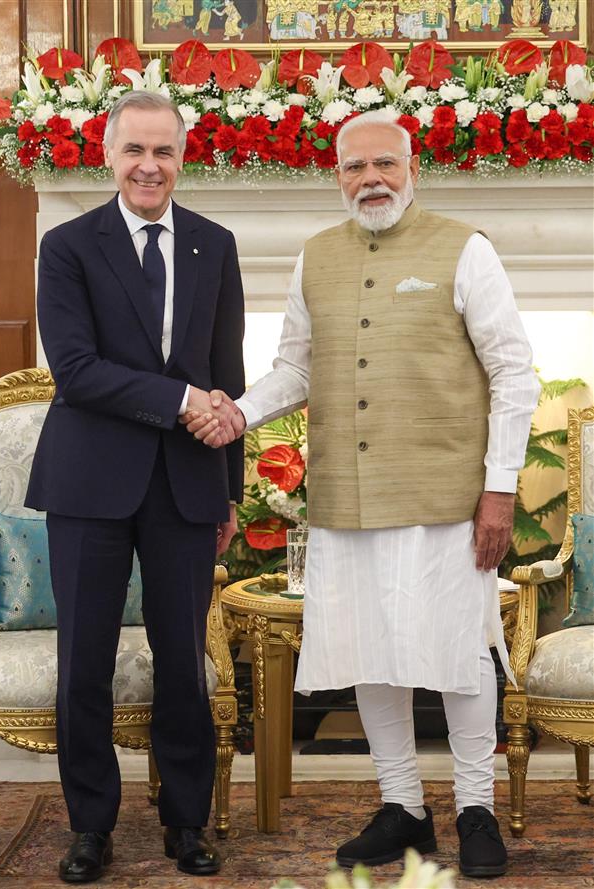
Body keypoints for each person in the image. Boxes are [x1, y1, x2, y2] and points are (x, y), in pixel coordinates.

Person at [186, 109, 540, 879]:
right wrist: (238, 411)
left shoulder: (464, 249)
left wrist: (500, 490)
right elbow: (298, 368)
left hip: (447, 497)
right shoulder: (316, 257)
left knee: (457, 654)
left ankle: (475, 808)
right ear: (335, 175)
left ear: (413, 170)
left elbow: (515, 372)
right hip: (345, 497)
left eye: (384, 164)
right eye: (354, 167)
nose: (370, 179)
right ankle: (403, 806)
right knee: (370, 653)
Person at [25, 90, 245, 883]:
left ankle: (186, 822)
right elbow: (76, 372)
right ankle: (91, 827)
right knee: (82, 660)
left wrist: (229, 488)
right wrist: (182, 402)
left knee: (182, 661)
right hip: (88, 480)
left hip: (188, 485)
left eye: (164, 152)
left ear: (182, 158)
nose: (149, 166)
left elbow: (228, 376)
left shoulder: (215, 245)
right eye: (134, 151)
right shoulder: (69, 244)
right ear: (108, 155)